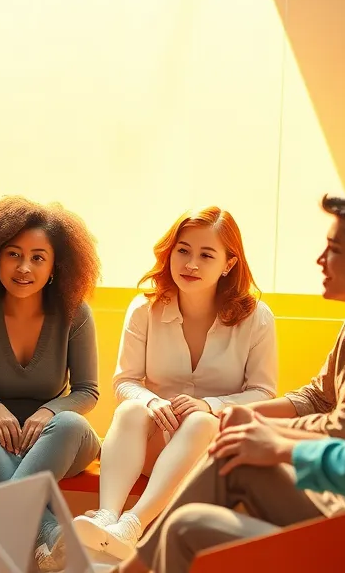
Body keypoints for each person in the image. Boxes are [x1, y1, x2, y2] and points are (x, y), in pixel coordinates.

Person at [116, 190, 345, 573]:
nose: (320, 261)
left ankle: (132, 564)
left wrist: (266, 433)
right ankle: (134, 563)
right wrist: (242, 417)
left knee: (219, 477)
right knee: (226, 457)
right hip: (336, 488)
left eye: (334, 250)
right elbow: (318, 399)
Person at [73, 207, 278, 559]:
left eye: (206, 254)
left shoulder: (257, 318)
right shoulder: (144, 309)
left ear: (229, 264)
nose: (191, 264)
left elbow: (264, 392)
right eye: (182, 250)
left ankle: (132, 525)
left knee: (200, 420)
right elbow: (125, 381)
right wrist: (153, 403)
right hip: (154, 442)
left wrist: (210, 405)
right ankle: (108, 517)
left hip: (210, 454)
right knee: (132, 410)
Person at [0, 196, 102, 572]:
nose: (24, 267)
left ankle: (22, 531)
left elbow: (87, 392)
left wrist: (50, 411)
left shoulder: (76, 312)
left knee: (67, 423)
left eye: (37, 257)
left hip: (60, 441)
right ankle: (50, 534)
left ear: (54, 267)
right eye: (13, 254)